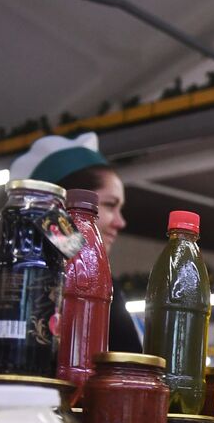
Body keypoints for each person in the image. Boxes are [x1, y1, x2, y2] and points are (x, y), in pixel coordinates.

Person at [8, 133, 142, 353]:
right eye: (110, 205)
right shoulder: (21, 276)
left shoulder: (101, 283)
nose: (120, 222)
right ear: (67, 205)